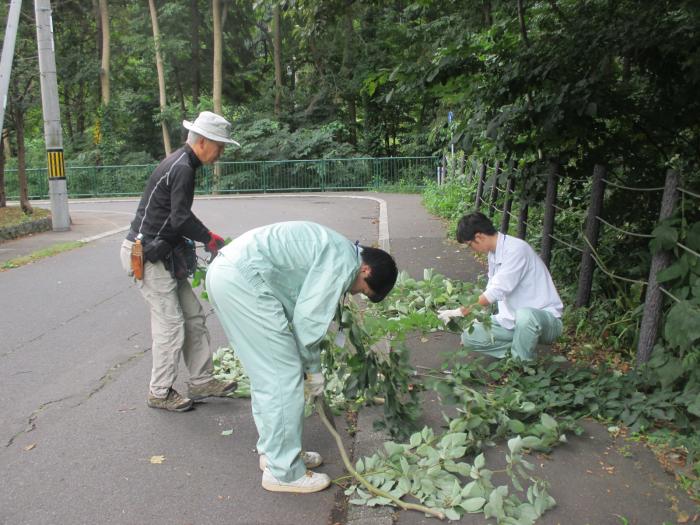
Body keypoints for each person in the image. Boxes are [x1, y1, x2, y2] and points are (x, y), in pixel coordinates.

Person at [205, 221, 398, 494]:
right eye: (362, 290)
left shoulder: (339, 249)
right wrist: (312, 371)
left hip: (229, 275)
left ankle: (276, 452)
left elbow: (301, 309)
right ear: (365, 270)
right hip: (243, 282)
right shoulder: (342, 264)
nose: (355, 293)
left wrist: (310, 368)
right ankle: (283, 471)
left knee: (267, 375)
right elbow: (308, 323)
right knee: (283, 377)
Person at [119, 111, 239, 412]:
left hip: (164, 254)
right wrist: (209, 238)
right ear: (202, 142)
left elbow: (179, 216)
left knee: (193, 317)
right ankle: (159, 392)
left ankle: (201, 380)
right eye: (219, 145)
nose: (221, 152)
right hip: (147, 256)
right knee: (171, 324)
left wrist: (208, 234)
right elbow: (181, 218)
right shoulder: (182, 167)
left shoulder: (183, 164)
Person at [438, 211, 563, 361]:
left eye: (470, 245)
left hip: (544, 320)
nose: (472, 249)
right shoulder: (493, 254)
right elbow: (491, 289)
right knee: (469, 337)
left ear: (479, 237)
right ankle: (520, 353)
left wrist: (460, 311)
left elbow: (497, 291)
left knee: (525, 316)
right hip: (512, 320)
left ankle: (521, 365)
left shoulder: (516, 250)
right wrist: (480, 316)